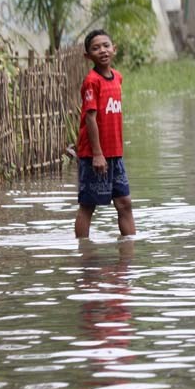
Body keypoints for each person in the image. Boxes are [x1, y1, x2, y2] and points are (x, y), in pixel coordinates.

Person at [74, 29, 136, 238]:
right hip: (95, 155)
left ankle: (129, 252)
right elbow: (90, 118)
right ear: (87, 56)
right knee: (88, 205)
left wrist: (113, 152)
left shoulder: (117, 77)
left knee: (124, 203)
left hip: (115, 154)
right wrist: (97, 154)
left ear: (114, 49)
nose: (102, 51)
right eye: (95, 48)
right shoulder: (92, 81)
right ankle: (84, 254)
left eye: (106, 46)